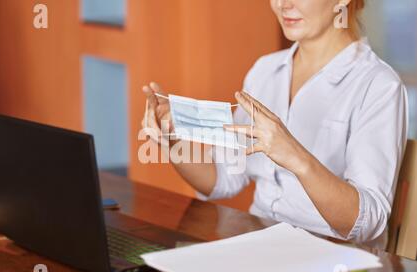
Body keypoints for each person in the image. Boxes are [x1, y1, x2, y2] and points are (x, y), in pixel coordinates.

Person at [142, 0, 408, 249]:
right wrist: (173, 142)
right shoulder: (265, 71)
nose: (283, 4)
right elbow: (223, 178)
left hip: (332, 261)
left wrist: (295, 156)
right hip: (259, 245)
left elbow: (366, 224)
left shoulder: (378, 86)